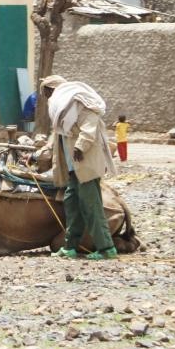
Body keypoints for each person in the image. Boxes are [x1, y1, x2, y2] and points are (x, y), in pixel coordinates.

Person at [41, 75, 118, 261]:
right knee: (72, 204)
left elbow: (89, 126)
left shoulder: (79, 103)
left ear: (53, 90)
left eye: (47, 93)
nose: (46, 98)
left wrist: (80, 146)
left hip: (85, 165)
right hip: (72, 168)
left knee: (91, 206)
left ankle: (107, 248)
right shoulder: (62, 111)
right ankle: (70, 247)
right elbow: (57, 137)